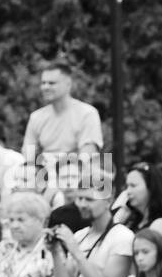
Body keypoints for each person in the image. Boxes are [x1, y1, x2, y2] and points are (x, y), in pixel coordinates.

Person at [50, 178, 135, 277]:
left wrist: (76, 252)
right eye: (79, 198)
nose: (82, 204)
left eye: (89, 199)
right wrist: (55, 252)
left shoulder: (123, 237)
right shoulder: (79, 236)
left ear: (108, 201)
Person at [21, 61, 103, 194]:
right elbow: (28, 157)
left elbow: (86, 159)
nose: (45, 87)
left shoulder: (87, 114)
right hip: (44, 180)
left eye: (52, 83)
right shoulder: (36, 117)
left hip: (76, 180)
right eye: (43, 83)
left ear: (68, 84)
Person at [117, 162, 162, 251]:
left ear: (151, 187)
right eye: (127, 186)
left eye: (133, 185)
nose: (128, 191)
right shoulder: (132, 219)